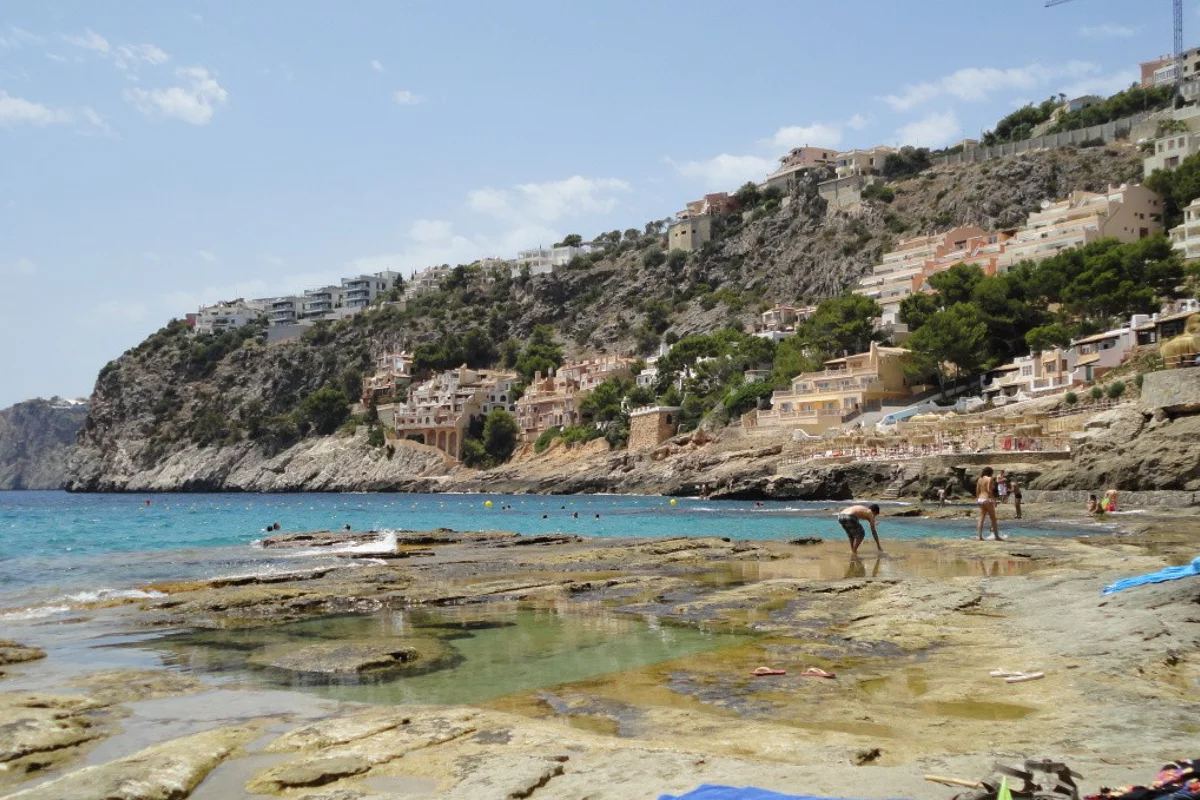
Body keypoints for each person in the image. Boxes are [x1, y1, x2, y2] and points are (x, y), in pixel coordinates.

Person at [975, 467, 1002, 541]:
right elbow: (989, 490)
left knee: (981, 518)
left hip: (980, 499)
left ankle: (980, 537)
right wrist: (994, 500)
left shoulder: (980, 479)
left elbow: (977, 490)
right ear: (990, 472)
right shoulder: (989, 479)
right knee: (993, 518)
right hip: (987, 499)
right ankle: (996, 536)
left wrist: (977, 499)